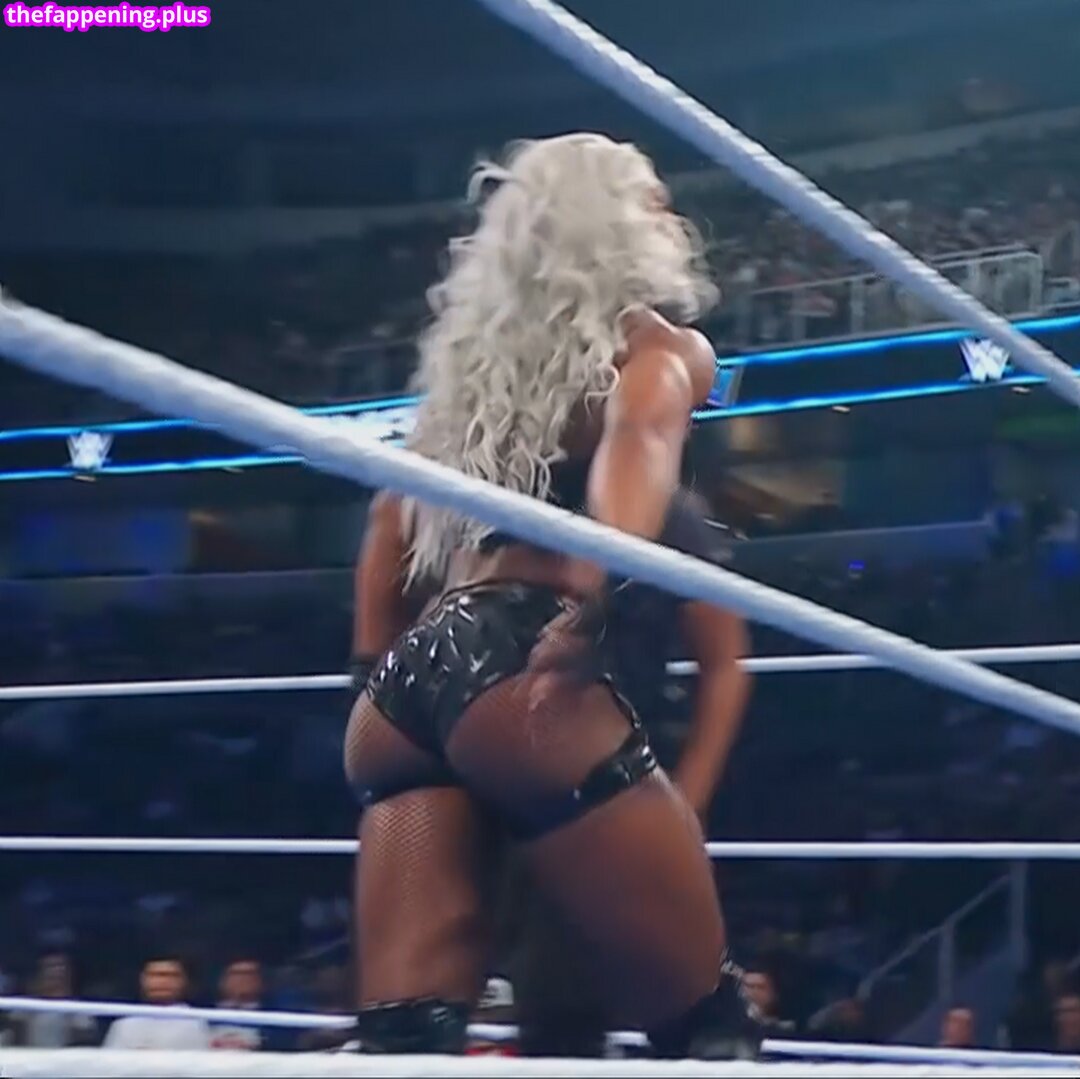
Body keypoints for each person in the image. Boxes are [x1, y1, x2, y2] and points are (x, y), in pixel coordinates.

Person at [344, 133, 757, 1058]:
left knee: (407, 1037)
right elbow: (639, 441)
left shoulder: (472, 377)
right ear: (617, 229)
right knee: (708, 1026)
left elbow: (386, 523)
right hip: (523, 671)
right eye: (652, 202)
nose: (670, 218)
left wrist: (372, 667)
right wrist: (595, 594)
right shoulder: (658, 345)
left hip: (405, 693)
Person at [103, 954, 209, 1050]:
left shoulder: (200, 1024)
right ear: (142, 979)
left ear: (184, 981)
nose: (162, 982)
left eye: (171, 975)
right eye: (154, 975)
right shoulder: (123, 1026)